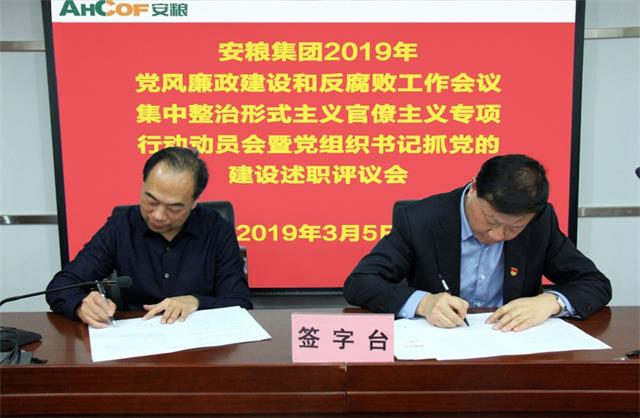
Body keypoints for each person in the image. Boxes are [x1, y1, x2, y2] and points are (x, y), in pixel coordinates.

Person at [343, 154, 611, 332]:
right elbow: (360, 282)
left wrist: (549, 302)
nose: (497, 235)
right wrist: (424, 303)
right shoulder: (420, 220)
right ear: (473, 187)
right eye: (490, 220)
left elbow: (594, 283)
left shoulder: (540, 223)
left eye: (514, 227)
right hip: (437, 351)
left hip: (510, 350)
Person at [47, 147, 252, 328]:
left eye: (174, 208)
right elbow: (60, 285)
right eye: (151, 200)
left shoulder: (217, 230)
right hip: (137, 341)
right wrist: (81, 306)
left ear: (194, 202)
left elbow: (241, 303)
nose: (158, 215)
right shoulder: (121, 227)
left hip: (200, 345)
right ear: (143, 185)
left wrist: (196, 302)